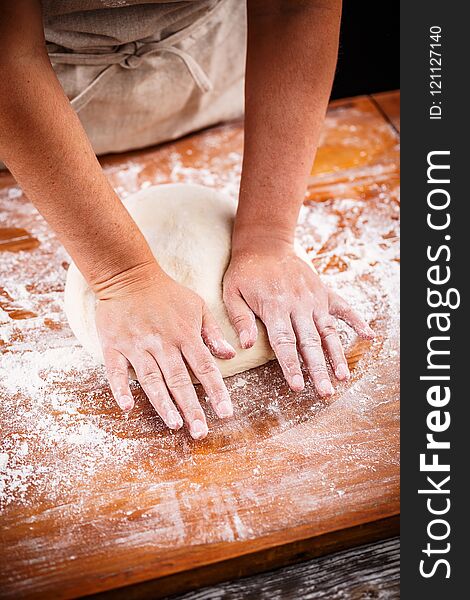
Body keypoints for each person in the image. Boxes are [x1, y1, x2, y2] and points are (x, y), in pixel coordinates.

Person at [0, 0, 374, 440]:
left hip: (203, 75)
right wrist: (123, 278)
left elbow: (295, 7)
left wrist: (268, 237)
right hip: (28, 109)